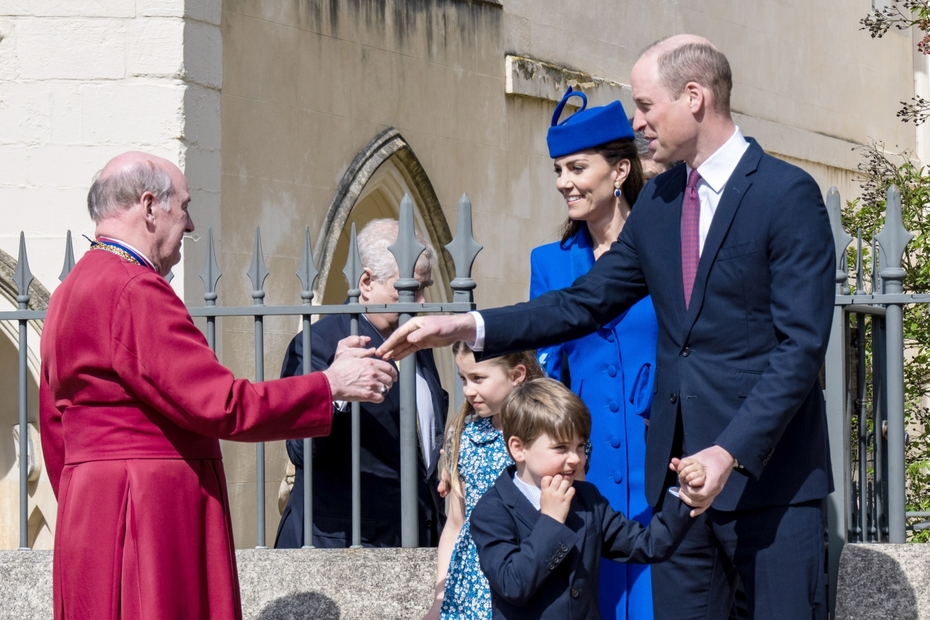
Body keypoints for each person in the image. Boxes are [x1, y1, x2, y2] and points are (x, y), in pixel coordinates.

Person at [379, 34, 835, 620]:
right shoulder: (662, 200)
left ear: (693, 96)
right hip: (680, 497)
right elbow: (583, 303)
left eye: (646, 106)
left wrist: (730, 452)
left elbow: (799, 349)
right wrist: (466, 324)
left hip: (771, 488)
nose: (637, 122)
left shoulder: (785, 194)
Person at [39, 152, 397, 620]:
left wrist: (95, 503)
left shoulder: (69, 290)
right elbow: (223, 403)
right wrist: (329, 384)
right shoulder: (135, 289)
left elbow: (53, 429)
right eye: (183, 206)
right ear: (149, 208)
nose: (189, 224)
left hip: (90, 515)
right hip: (150, 514)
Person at [530, 88, 657, 620]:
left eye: (577, 168)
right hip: (584, 471)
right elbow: (545, 374)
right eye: (558, 170)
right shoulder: (549, 263)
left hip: (661, 464)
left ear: (620, 171)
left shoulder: (664, 250)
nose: (564, 183)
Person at [274, 218, 449, 548]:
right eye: (411, 289)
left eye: (424, 287)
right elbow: (301, 451)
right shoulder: (319, 344)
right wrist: (336, 391)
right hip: (342, 548)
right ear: (366, 282)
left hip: (419, 544)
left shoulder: (416, 341)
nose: (422, 303)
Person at [469, 378, 703, 620]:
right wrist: (550, 521)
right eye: (560, 448)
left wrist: (685, 496)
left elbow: (647, 545)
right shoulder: (492, 510)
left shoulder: (586, 497)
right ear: (518, 448)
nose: (575, 459)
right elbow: (513, 585)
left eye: (580, 446)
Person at [423, 344, 543, 620]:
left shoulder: (551, 434)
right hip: (473, 589)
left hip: (533, 576)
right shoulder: (465, 435)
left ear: (517, 375)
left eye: (478, 379)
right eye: (463, 378)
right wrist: (440, 599)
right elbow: (456, 523)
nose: (467, 390)